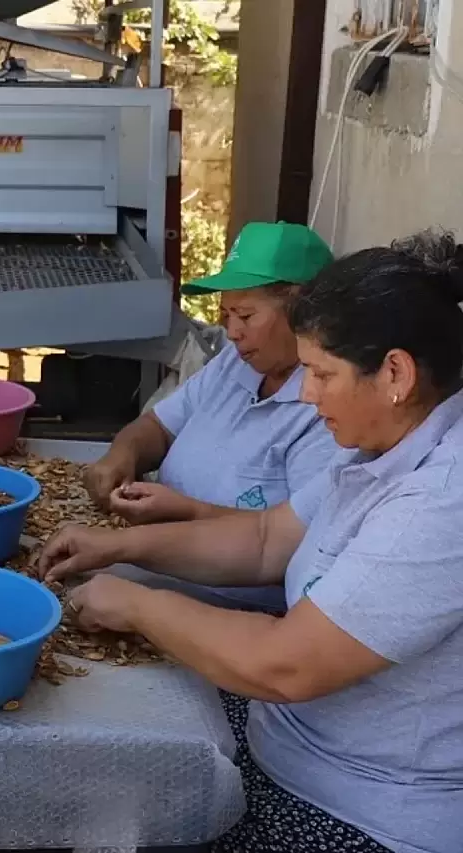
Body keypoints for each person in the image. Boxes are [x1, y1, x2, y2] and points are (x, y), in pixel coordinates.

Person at [37, 231, 463, 853]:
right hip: (285, 742)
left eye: (321, 374)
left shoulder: (440, 501)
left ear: (394, 373)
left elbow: (285, 664)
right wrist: (118, 548)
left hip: (359, 810)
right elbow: (267, 539)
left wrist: (138, 605)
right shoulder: (384, 444)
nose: (308, 396)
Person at [82, 222, 339, 612]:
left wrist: (185, 512)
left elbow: (286, 543)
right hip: (155, 567)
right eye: (226, 314)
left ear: (305, 313)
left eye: (246, 315)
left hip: (229, 608)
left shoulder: (328, 407)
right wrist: (122, 456)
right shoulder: (235, 365)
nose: (232, 332)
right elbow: (158, 426)